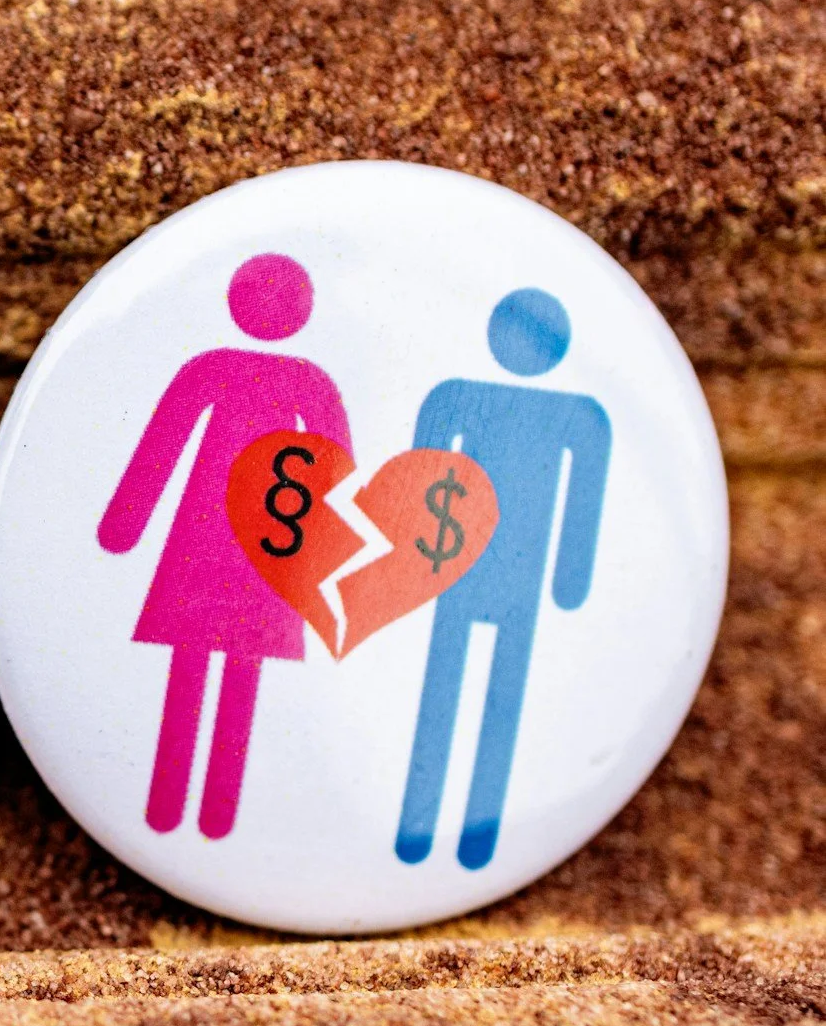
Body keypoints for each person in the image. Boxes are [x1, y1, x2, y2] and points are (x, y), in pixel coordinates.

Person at [98, 253, 350, 839]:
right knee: (228, 662)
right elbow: (339, 470)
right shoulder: (299, 382)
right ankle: (186, 815)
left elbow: (163, 448)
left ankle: (198, 815)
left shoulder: (229, 371)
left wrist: (126, 524)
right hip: (249, 540)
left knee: (220, 661)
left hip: (234, 538)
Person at [396, 288, 610, 869]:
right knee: (452, 690)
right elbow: (419, 473)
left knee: (495, 698)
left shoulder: (575, 418)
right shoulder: (459, 398)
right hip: (465, 570)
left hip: (505, 577)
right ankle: (421, 830)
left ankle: (472, 835)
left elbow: (583, 501)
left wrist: (570, 580)